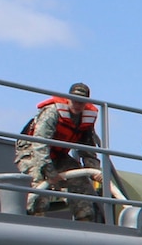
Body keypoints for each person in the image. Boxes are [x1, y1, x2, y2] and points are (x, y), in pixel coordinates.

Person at [16, 83, 100, 219]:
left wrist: (95, 171)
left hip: (59, 154)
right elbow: (39, 142)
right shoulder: (52, 112)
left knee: (81, 183)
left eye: (82, 102)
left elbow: (88, 147)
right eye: (75, 100)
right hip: (32, 150)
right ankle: (35, 218)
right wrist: (49, 171)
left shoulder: (86, 119)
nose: (77, 105)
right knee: (39, 180)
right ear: (68, 99)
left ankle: (85, 221)